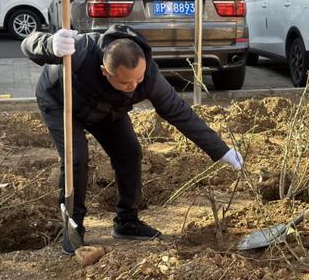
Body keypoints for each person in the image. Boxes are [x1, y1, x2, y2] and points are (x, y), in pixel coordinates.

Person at [22, 25, 243, 254]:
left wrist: (221, 150)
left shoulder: (149, 77)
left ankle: (127, 222)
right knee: (75, 158)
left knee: (129, 152)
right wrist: (50, 45)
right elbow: (28, 43)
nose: (135, 86)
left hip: (107, 109)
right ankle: (73, 226)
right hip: (61, 101)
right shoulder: (82, 50)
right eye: (127, 83)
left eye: (138, 79)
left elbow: (180, 112)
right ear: (104, 72)